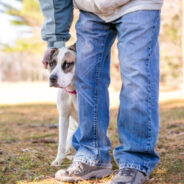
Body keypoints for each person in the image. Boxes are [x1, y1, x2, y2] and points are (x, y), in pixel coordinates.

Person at [38, 0, 163, 183]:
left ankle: (136, 160)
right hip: (90, 10)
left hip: (138, 4)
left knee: (137, 77)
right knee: (86, 79)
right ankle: (92, 156)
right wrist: (55, 38)